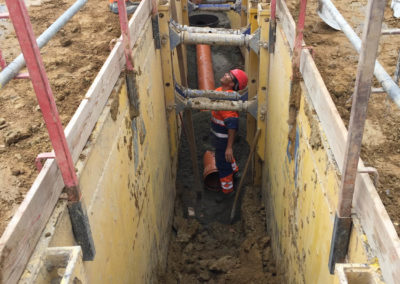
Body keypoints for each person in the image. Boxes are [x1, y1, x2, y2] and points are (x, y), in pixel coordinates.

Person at [211, 69, 248, 194]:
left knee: (222, 164)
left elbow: (232, 124)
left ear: (232, 84)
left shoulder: (228, 100)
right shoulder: (219, 91)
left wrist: (229, 147)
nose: (225, 74)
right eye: (227, 73)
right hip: (217, 136)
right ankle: (235, 171)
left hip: (223, 139)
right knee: (227, 158)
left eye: (229, 75)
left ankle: (228, 191)